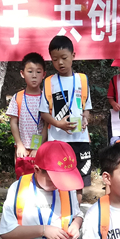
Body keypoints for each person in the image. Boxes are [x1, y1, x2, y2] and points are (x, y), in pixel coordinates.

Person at [39, 36, 93, 202]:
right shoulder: (49, 82)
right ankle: (60, 208)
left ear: (73, 56)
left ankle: (75, 210)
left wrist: (86, 118)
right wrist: (58, 124)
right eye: (55, 59)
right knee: (58, 178)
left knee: (80, 178)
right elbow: (44, 112)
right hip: (57, 141)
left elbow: (87, 108)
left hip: (80, 139)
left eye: (64, 58)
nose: (60, 63)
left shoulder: (82, 80)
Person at [7, 53, 47, 178]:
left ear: (44, 74)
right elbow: (13, 122)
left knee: (41, 180)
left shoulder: (46, 98)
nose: (34, 75)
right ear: (22, 73)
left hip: (42, 149)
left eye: (38, 72)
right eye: (30, 71)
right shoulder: (17, 97)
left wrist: (38, 147)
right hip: (22, 149)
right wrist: (19, 144)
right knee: (22, 180)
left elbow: (47, 124)